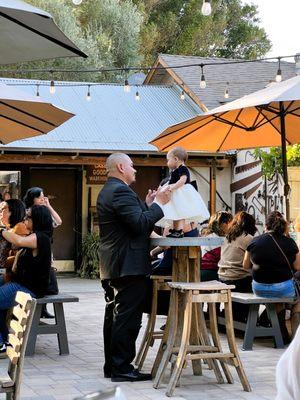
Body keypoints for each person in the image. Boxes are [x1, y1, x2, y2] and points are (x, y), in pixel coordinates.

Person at [97, 152, 170, 382]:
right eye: (131, 165)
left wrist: (146, 205)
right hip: (128, 264)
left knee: (116, 315)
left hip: (115, 264)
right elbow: (139, 224)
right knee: (127, 318)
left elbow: (131, 220)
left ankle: (113, 365)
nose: (135, 169)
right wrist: (158, 205)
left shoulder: (108, 190)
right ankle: (122, 368)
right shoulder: (119, 191)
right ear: (120, 167)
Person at [0, 205, 53, 353]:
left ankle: (1, 343)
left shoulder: (40, 238)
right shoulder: (34, 235)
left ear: (37, 219)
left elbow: (17, 240)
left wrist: (2, 231)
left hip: (29, 288)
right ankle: (4, 341)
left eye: (28, 217)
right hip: (21, 282)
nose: (24, 219)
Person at [244, 211, 300, 342]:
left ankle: (281, 335)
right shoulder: (290, 242)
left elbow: (245, 265)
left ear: (266, 226)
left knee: (278, 300)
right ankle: (296, 339)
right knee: (298, 300)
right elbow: (298, 267)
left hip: (259, 288)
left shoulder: (255, 241)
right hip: (282, 288)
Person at [23, 187, 61, 318]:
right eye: (40, 197)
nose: (43, 199)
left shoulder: (44, 212)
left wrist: (48, 206)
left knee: (43, 277)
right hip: (31, 249)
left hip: (44, 249)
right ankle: (33, 312)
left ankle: (42, 309)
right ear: (32, 198)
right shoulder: (27, 213)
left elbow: (58, 221)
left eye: (44, 197)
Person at [157, 146, 209, 238]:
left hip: (181, 192)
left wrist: (172, 188)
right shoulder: (175, 170)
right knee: (176, 212)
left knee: (180, 212)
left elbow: (183, 180)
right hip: (177, 191)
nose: (167, 163)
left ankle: (179, 230)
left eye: (168, 160)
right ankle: (176, 229)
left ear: (176, 159)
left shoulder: (183, 168)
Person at [218, 211, 257, 322]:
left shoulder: (227, 236)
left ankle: (236, 318)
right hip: (238, 280)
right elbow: (252, 262)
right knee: (260, 286)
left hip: (222, 278)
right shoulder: (249, 238)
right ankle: (252, 321)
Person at [201, 211, 233, 281]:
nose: (232, 226)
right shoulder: (219, 239)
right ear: (222, 224)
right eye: (230, 223)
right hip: (210, 271)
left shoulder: (209, 236)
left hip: (205, 270)